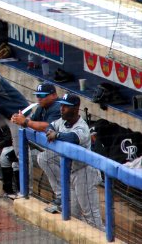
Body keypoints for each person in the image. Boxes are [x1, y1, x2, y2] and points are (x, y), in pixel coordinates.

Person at [46, 94, 103, 230]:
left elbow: (72, 138)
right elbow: (50, 126)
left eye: (66, 106)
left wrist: (57, 135)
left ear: (76, 108)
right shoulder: (62, 121)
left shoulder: (82, 127)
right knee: (72, 214)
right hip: (72, 174)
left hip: (85, 174)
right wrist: (50, 130)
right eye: (61, 105)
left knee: (91, 217)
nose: (62, 109)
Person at [11, 83, 62, 209]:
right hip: (49, 149)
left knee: (43, 158)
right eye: (38, 95)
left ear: (53, 95)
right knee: (16, 156)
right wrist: (20, 119)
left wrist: (26, 121)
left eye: (43, 96)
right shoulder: (41, 107)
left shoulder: (58, 107)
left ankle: (61, 196)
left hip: (65, 153)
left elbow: (46, 127)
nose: (39, 98)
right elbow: (31, 123)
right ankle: (22, 191)